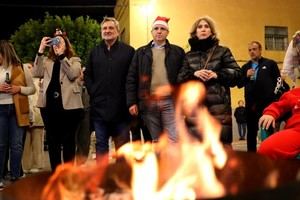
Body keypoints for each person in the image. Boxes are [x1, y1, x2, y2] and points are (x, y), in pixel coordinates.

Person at [177, 16, 241, 145]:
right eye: (200, 27)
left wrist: (217, 75)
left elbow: (237, 74)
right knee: (196, 150)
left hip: (219, 109)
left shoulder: (223, 51)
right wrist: (194, 74)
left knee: (221, 149)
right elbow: (180, 79)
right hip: (195, 108)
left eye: (206, 27)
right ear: (195, 32)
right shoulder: (188, 56)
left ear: (212, 31)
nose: (203, 29)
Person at [126, 16, 185, 143]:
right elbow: (131, 78)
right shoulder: (141, 53)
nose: (159, 31)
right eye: (156, 28)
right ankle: (159, 163)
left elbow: (184, 76)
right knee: (156, 140)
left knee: (173, 139)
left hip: (170, 101)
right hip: (149, 102)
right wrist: (132, 102)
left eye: (162, 29)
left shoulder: (178, 52)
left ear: (167, 32)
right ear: (151, 32)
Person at [33, 31, 84, 171]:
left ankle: (67, 173)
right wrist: (40, 50)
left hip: (70, 108)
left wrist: (62, 56)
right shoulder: (47, 61)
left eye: (60, 42)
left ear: (66, 45)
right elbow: (36, 73)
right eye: (55, 41)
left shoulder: (75, 60)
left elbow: (73, 74)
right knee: (53, 141)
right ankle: (55, 173)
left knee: (68, 141)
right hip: (49, 107)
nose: (57, 44)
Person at [84, 17, 135, 158]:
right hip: (99, 110)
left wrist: (131, 100)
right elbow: (87, 75)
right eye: (104, 28)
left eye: (111, 28)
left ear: (118, 32)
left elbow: (133, 77)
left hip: (121, 110)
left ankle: (122, 179)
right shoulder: (94, 52)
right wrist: (93, 91)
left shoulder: (129, 52)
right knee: (101, 145)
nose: (107, 31)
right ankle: (103, 178)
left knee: (123, 147)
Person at [0, 40, 36, 187]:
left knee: (17, 145)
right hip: (0, 110)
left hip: (17, 111)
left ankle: (15, 176)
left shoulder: (21, 67)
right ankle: (1, 176)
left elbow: (32, 89)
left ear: (4, 52)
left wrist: (18, 89)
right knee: (1, 145)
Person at [237, 41, 281, 152]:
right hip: (251, 105)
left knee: (267, 130)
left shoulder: (270, 64)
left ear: (260, 50)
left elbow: (278, 82)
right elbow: (239, 84)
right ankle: (251, 158)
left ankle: (269, 155)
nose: (252, 52)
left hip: (266, 104)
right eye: (250, 50)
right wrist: (246, 76)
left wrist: (274, 99)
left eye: (254, 49)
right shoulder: (245, 67)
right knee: (251, 132)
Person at [258, 87, 300, 159]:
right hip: (297, 131)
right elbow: (280, 105)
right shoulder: (296, 93)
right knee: (266, 149)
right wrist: (270, 113)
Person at [22, 63, 44, 173]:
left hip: (38, 114)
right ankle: (25, 165)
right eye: (26, 67)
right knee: (25, 142)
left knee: (37, 141)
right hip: (25, 115)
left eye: (30, 67)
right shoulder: (23, 82)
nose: (28, 69)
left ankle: (37, 164)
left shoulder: (39, 82)